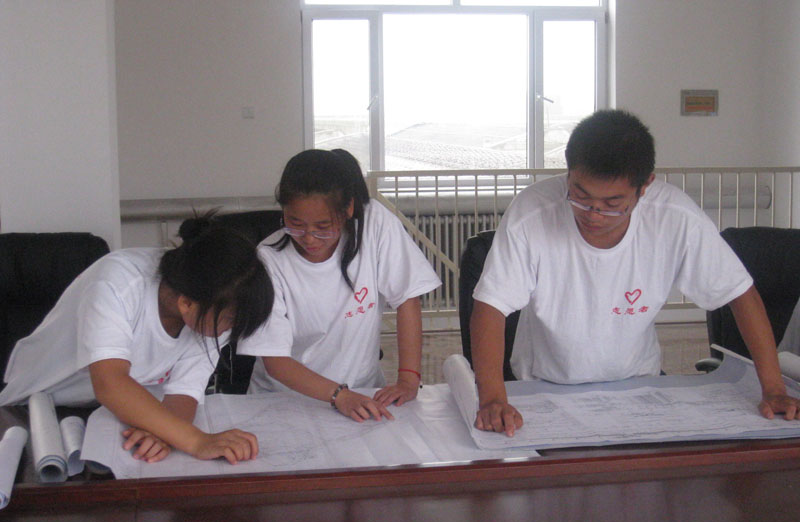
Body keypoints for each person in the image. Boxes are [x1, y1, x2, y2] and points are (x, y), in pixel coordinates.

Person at [470, 109, 800, 436]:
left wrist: (773, 388)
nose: (594, 214)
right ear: (568, 174)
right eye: (581, 196)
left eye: (613, 204)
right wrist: (493, 399)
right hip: (544, 386)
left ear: (645, 186)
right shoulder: (532, 212)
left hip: (637, 386)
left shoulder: (674, 216)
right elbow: (490, 305)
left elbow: (739, 293)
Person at [0, 217, 274, 463]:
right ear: (187, 303)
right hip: (37, 409)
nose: (230, 330)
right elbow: (110, 383)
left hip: (116, 414)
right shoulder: (117, 284)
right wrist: (196, 441)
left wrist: (164, 435)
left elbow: (184, 392)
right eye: (229, 320)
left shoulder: (211, 305)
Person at [238, 148, 441, 422]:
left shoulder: (374, 224)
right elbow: (275, 362)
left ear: (348, 210)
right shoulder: (268, 259)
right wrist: (339, 395)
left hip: (362, 392)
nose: (309, 238)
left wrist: (408, 379)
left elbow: (407, 297)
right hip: (283, 401)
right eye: (295, 223)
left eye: (323, 227)